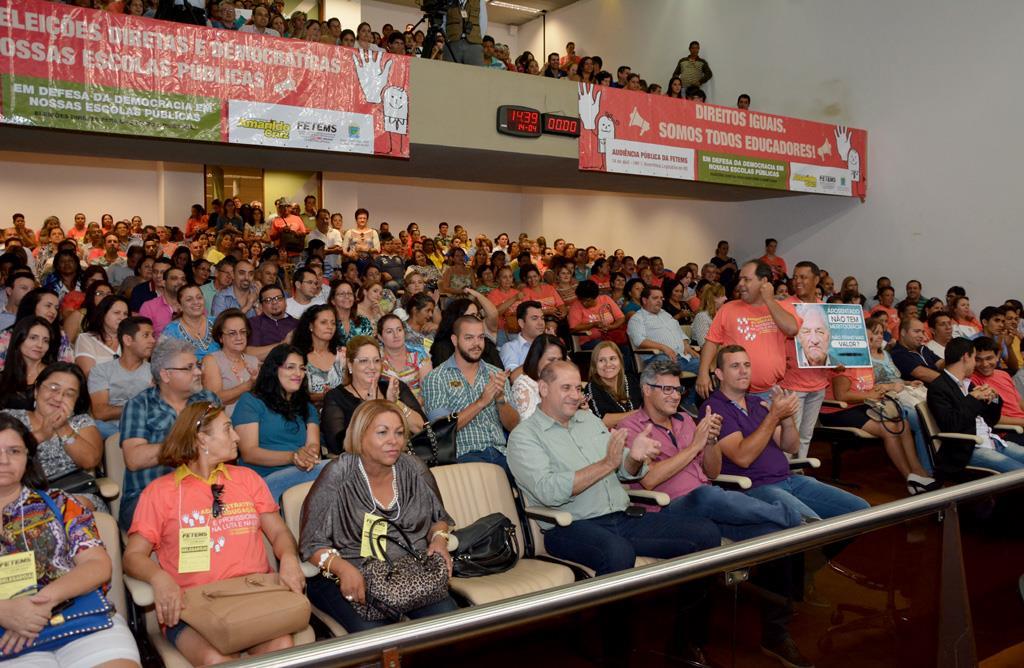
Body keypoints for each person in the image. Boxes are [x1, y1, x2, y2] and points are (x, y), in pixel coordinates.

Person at [620, 359, 810, 667]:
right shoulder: (630, 428)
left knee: (778, 538)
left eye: (678, 389)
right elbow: (649, 480)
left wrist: (709, 444)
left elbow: (712, 471)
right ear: (646, 390)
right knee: (708, 495)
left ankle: (775, 633)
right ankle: (796, 520)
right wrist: (694, 446)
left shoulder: (686, 420)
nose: (674, 395)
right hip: (668, 510)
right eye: (666, 389)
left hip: (709, 508)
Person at [123, 402, 305, 666]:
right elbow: (133, 556)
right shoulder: (160, 492)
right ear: (201, 439)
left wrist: (288, 558)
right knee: (217, 660)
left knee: (281, 649)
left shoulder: (247, 479)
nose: (237, 437)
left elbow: (278, 532)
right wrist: (159, 577)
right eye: (228, 429)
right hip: (193, 606)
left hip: (254, 595)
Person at [508, 359, 721, 577]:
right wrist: (606, 464)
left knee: (706, 533)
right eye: (566, 388)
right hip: (570, 526)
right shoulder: (524, 436)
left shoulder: (589, 421)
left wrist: (635, 458)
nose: (575, 395)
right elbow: (548, 491)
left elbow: (625, 469)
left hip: (621, 517)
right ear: (543, 389)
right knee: (618, 552)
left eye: (578, 388)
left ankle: (680, 600)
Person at [300, 400, 458, 632]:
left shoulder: (414, 468)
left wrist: (439, 540)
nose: (393, 440)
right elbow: (311, 543)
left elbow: (439, 518)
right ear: (360, 435)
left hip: (411, 572)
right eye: (382, 432)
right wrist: (343, 569)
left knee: (450, 622)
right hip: (352, 572)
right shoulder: (339, 474)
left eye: (399, 433)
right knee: (379, 637)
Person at [0, 413, 142, 666]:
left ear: (27, 458)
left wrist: (43, 602)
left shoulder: (60, 503)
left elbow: (97, 565)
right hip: (8, 635)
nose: (4, 460)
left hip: (79, 617)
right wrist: (5, 611)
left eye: (14, 451)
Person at [706, 345, 869, 522]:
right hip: (755, 487)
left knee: (862, 510)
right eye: (735, 366)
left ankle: (828, 541)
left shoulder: (756, 403)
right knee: (812, 527)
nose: (743, 371)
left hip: (789, 479)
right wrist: (773, 417)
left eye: (747, 365)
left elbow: (791, 446)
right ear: (720, 374)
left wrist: (786, 418)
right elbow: (742, 457)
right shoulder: (715, 408)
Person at [118, 337, 220, 529]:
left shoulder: (208, 400)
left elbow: (226, 445)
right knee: (188, 517)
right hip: (146, 496)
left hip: (204, 490)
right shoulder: (140, 405)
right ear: (165, 375)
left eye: (197, 365)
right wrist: (187, 443)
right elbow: (134, 458)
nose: (198, 372)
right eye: (189, 368)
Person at [822, 332, 936, 494]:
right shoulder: (844, 361)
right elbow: (842, 396)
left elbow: (868, 388)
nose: (876, 340)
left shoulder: (866, 361)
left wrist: (881, 390)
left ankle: (919, 472)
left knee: (903, 423)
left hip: (861, 405)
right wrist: (870, 395)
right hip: (837, 411)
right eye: (869, 338)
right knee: (889, 429)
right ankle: (910, 478)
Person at [2, 362, 106, 509]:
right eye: (53, 388)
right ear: (37, 390)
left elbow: (90, 461)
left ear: (76, 400)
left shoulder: (81, 422)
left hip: (73, 493)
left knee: (74, 505)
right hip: (16, 494)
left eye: (69, 394)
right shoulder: (10, 418)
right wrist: (41, 434)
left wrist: (63, 427)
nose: (58, 397)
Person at [422, 315, 518, 469]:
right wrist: (481, 402)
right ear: (454, 340)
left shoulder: (496, 374)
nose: (476, 344)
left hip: (501, 453)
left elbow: (514, 425)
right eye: (469, 338)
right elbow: (441, 430)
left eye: (481, 337)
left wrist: (500, 400)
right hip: (463, 456)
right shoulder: (436, 378)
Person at [233, 344, 326, 501]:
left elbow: (313, 444)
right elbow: (249, 453)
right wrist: (292, 457)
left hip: (302, 473)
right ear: (274, 370)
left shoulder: (306, 407)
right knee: (338, 469)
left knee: (339, 470)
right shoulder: (250, 402)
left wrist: (308, 456)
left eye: (302, 368)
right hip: (263, 480)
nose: (298, 373)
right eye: (290, 367)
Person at [697, 260, 798, 401]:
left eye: (747, 279)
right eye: (740, 279)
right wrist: (703, 373)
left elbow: (792, 329)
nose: (740, 284)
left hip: (770, 392)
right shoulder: (728, 309)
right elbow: (711, 343)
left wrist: (769, 300)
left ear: (764, 282)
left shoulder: (782, 307)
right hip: (733, 392)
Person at [927, 337, 1024, 474]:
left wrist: (994, 398)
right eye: (975, 358)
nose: (976, 364)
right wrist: (972, 399)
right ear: (966, 357)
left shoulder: (968, 384)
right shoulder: (938, 387)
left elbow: (991, 419)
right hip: (969, 449)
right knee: (1020, 473)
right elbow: (952, 424)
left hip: (993, 441)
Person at [321, 336, 425, 455]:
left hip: (405, 458)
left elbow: (424, 430)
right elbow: (338, 446)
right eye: (364, 361)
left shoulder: (395, 388)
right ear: (350, 364)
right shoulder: (336, 397)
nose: (372, 367)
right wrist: (367, 409)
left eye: (376, 361)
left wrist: (395, 403)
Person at [89, 316, 154, 440]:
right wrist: (139, 407)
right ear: (127, 340)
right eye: (146, 335)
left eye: (153, 335)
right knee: (93, 426)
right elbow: (100, 412)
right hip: (109, 430)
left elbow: (156, 409)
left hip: (143, 427)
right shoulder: (101, 371)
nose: (152, 340)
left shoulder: (156, 372)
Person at [627, 285, 700, 377]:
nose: (659, 301)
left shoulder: (665, 314)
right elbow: (639, 341)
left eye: (661, 298)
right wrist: (663, 348)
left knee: (705, 366)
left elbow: (680, 332)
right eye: (655, 298)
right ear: (645, 300)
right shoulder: (637, 318)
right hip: (658, 357)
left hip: (682, 356)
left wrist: (686, 345)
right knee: (668, 369)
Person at [202, 309, 259, 416]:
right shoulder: (212, 360)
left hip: (254, 419)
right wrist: (247, 386)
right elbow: (213, 400)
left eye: (243, 332)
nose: (239, 337)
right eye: (232, 333)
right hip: (225, 421)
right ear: (220, 337)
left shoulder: (253, 361)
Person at [0, 316, 62, 410]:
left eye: (45, 341)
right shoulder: (3, 377)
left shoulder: (55, 375)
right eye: (33, 338)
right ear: (19, 339)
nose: (40, 345)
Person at [292, 304, 346, 404]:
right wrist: (322, 396)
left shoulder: (343, 354)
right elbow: (293, 395)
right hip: (307, 410)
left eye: (333, 323)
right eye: (323, 322)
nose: (330, 327)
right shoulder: (297, 356)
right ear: (311, 326)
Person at [510, 335, 568, 421]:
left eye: (559, 360)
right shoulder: (523, 385)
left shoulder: (563, 380)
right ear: (537, 359)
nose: (556, 365)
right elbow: (529, 423)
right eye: (551, 360)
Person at [971, 336, 1024, 427]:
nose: (985, 364)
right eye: (978, 360)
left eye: (989, 358)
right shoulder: (972, 381)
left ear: (997, 356)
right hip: (1009, 429)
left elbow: (1019, 403)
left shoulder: (1004, 374)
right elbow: (990, 417)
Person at [379, 313, 431, 403]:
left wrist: (410, 409)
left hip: (418, 406)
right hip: (387, 406)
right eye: (389, 331)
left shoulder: (419, 353)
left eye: (399, 330)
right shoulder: (376, 357)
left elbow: (428, 391)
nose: (396, 335)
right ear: (380, 337)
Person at [73, 294, 129, 378]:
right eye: (117, 313)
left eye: (125, 314)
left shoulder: (130, 340)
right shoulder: (86, 339)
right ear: (103, 314)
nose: (122, 317)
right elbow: (91, 376)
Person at [162, 284, 219, 362]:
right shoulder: (171, 330)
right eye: (189, 299)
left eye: (199, 297)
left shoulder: (217, 323)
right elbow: (163, 361)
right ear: (179, 306)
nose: (196, 302)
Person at [568, 279, 627, 351]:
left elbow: (621, 318)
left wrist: (611, 327)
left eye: (588, 300)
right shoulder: (576, 306)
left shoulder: (605, 299)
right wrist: (592, 325)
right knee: (608, 346)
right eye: (582, 300)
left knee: (625, 346)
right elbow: (573, 328)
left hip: (610, 336)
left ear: (596, 297)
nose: (584, 303)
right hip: (590, 341)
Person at [248, 284, 298, 360]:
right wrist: (283, 344)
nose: (274, 302)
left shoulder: (297, 324)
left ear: (285, 301)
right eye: (268, 300)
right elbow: (249, 354)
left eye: (279, 298)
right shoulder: (254, 323)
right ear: (261, 306)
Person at [499, 300, 545, 377]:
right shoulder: (510, 348)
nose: (541, 323)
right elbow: (514, 376)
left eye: (542, 318)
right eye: (534, 318)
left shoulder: (548, 344)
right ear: (521, 323)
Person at [890, 317, 943, 383]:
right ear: (903, 332)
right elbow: (921, 374)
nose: (921, 336)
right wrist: (949, 381)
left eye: (922, 332)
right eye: (916, 331)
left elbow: (940, 363)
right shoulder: (897, 353)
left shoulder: (923, 348)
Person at [139, 266, 186, 338]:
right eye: (174, 278)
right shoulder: (149, 307)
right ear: (164, 283)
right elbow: (144, 337)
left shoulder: (193, 305)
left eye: (183, 279)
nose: (180, 282)